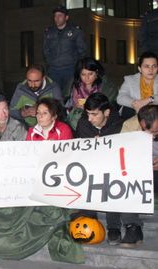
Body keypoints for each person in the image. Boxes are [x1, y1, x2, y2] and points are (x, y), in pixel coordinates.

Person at [74, 92, 131, 246]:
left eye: (94, 114)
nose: (90, 118)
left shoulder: (119, 125)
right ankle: (89, 219)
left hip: (113, 170)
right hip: (90, 169)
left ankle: (114, 227)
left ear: (106, 112)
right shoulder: (83, 124)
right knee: (87, 180)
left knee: (111, 184)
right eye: (87, 114)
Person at [43, 5, 87, 96]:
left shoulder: (75, 31)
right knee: (55, 96)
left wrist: (77, 67)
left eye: (60, 16)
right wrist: (49, 63)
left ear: (66, 17)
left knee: (70, 95)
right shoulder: (49, 31)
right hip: (54, 70)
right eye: (55, 16)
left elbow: (82, 51)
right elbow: (45, 50)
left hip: (70, 70)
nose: (57, 18)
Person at [66, 57, 117, 129]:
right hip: (77, 117)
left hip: (99, 118)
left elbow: (110, 105)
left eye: (90, 74)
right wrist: (75, 106)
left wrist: (92, 106)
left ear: (96, 72)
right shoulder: (74, 85)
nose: (87, 77)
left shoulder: (106, 86)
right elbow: (66, 106)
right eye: (83, 74)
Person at [117, 51, 158, 120]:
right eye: (146, 66)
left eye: (154, 66)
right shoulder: (130, 80)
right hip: (135, 113)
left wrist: (149, 99)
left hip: (155, 114)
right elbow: (121, 97)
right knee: (127, 110)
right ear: (139, 69)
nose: (151, 70)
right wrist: (135, 104)